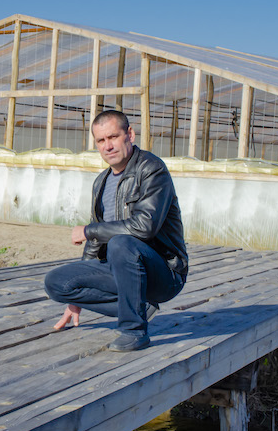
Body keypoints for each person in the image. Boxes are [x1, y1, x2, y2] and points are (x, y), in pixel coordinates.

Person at [44, 110, 188, 352]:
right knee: (57, 283)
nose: (107, 146)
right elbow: (96, 243)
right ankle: (140, 306)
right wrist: (76, 301)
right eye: (101, 141)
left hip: (163, 272)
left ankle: (134, 331)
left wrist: (89, 230)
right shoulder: (101, 182)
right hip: (121, 269)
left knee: (123, 243)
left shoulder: (152, 169)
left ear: (129, 135)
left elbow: (144, 226)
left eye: (113, 137)